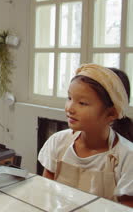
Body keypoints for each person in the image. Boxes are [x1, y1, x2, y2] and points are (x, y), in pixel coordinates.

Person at [38, 64, 133, 207]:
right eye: (69, 98)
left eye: (82, 103)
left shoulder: (127, 157)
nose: (70, 108)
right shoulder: (58, 142)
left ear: (111, 113)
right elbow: (46, 195)